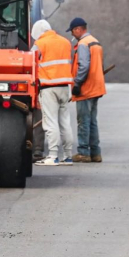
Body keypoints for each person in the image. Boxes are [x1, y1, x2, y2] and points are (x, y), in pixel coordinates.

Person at [32, 19, 74, 166]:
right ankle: (68, 156)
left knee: (50, 122)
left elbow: (31, 64)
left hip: (48, 87)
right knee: (65, 122)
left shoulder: (40, 44)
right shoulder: (65, 42)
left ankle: (53, 156)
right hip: (65, 87)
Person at [69, 17, 106, 163]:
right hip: (96, 87)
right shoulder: (95, 42)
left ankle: (83, 153)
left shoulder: (84, 44)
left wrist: (77, 83)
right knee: (92, 121)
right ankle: (95, 153)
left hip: (86, 88)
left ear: (78, 29)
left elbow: (83, 66)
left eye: (73, 31)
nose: (72, 35)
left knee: (83, 121)